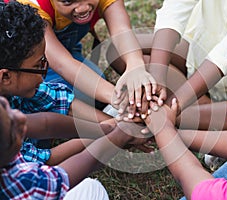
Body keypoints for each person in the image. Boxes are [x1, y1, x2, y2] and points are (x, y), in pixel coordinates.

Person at [111, 0, 227, 129]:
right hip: (202, 50)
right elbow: (176, 8)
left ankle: (170, 115)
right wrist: (156, 75)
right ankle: (195, 109)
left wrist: (174, 105)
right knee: (120, 51)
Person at [0, 0, 122, 164]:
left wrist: (111, 124)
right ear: (5, 77)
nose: (42, 75)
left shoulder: (12, 78)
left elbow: (58, 99)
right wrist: (106, 134)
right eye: (39, 65)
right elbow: (42, 160)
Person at [15, 0, 157, 111]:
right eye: (67, 1)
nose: (81, 8)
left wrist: (135, 65)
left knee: (95, 86)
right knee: (80, 97)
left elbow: (121, 30)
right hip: (30, 63)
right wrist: (117, 98)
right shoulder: (33, 8)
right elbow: (63, 63)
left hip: (65, 49)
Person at [0, 96, 150, 200]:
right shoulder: (20, 184)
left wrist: (108, 128)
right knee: (91, 190)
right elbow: (85, 162)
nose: (20, 117)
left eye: (7, 108)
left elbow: (46, 124)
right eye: (14, 129)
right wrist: (121, 134)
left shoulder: (4, 151)